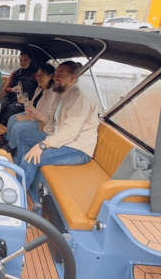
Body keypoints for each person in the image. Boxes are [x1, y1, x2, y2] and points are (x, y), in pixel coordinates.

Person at [15, 61, 99, 189]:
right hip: (60, 139)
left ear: (73, 78)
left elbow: (70, 131)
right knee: (23, 135)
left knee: (31, 158)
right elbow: (52, 118)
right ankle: (20, 173)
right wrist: (36, 114)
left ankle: (16, 196)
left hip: (77, 148)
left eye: (60, 75)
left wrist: (41, 145)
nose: (55, 78)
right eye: (55, 74)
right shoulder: (62, 93)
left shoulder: (80, 98)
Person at [4, 63, 56, 156]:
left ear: (50, 76)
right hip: (33, 115)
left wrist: (27, 118)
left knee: (18, 126)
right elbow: (31, 105)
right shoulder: (40, 89)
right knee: (12, 118)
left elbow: (45, 117)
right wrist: (24, 102)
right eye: (38, 75)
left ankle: (11, 149)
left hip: (42, 123)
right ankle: (9, 143)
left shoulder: (52, 93)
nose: (38, 78)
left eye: (42, 75)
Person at [0, 51, 38, 126]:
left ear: (30, 60)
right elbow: (7, 90)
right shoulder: (14, 73)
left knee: (9, 110)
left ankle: (1, 133)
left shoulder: (35, 74)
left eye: (25, 60)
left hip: (22, 101)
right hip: (9, 98)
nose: (22, 62)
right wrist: (13, 89)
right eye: (21, 60)